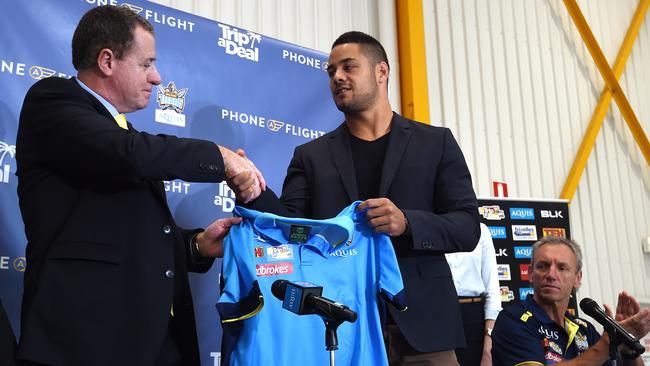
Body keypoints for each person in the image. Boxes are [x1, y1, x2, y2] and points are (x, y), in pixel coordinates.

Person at [15, 6, 264, 366]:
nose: (157, 77)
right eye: (146, 64)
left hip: (154, 342)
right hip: (86, 344)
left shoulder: (124, 136)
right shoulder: (53, 102)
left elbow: (129, 228)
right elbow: (128, 155)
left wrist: (195, 245)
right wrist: (220, 156)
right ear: (107, 61)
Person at [231, 31, 480, 365]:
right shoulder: (310, 156)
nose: (337, 77)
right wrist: (253, 190)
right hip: (339, 329)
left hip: (424, 330)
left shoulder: (436, 143)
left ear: (382, 71)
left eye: (349, 67)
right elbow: (291, 229)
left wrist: (407, 223)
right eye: (331, 71)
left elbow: (467, 227)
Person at [491, 236, 650, 365]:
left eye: (562, 268)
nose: (551, 275)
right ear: (531, 273)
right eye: (543, 266)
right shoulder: (513, 320)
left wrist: (628, 346)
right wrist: (608, 343)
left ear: (577, 278)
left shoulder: (585, 330)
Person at [445, 223, 501, 365]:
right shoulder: (429, 226)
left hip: (473, 317)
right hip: (437, 313)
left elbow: (492, 288)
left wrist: (488, 348)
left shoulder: (480, 229)